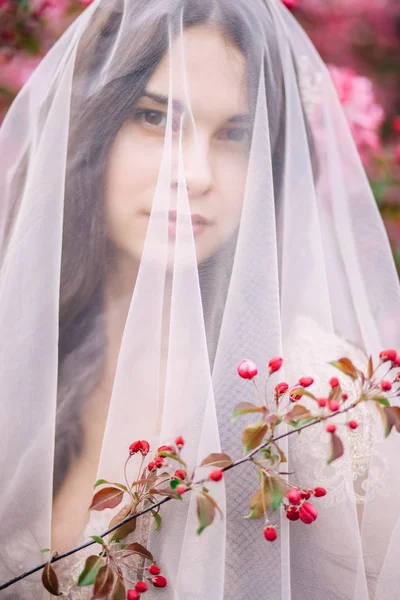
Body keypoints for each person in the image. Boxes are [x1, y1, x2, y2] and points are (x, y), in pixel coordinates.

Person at [0, 0, 399, 598]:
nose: (197, 174)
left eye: (235, 134)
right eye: (155, 118)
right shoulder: (26, 352)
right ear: (93, 128)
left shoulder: (321, 406)